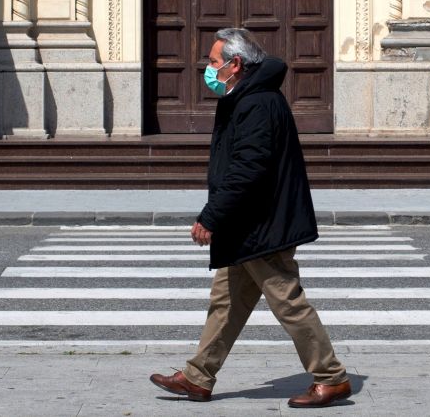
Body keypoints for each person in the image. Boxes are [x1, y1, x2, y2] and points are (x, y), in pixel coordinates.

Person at [149, 28, 351, 408]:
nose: (208, 70)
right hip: (245, 225)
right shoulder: (246, 96)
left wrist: (211, 216)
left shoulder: (256, 102)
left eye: (213, 62)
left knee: (287, 301)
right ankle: (198, 376)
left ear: (235, 64)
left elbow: (248, 169)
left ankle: (331, 378)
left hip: (262, 225)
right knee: (225, 303)